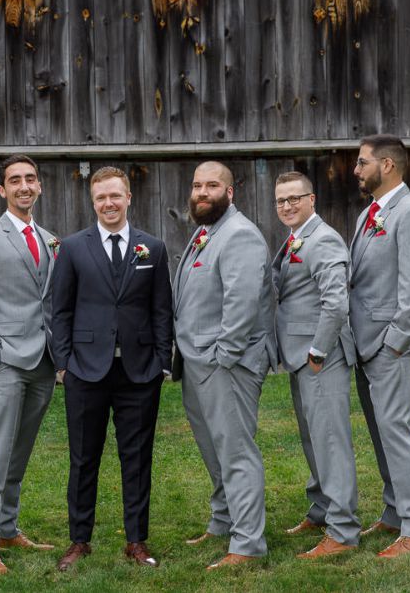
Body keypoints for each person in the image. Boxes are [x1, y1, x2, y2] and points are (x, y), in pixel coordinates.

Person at [49, 167, 173, 571]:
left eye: (115, 196)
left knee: (137, 458)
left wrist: (162, 362)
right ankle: (79, 539)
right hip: (86, 370)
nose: (108, 204)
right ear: (92, 200)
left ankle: (136, 540)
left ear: (129, 197)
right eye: (101, 197)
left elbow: (161, 309)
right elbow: (60, 308)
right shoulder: (72, 248)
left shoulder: (151, 248)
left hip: (139, 372)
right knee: (83, 457)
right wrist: (64, 362)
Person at [172, 161, 276, 570]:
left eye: (212, 185)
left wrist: (224, 357)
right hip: (198, 362)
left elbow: (242, 303)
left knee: (235, 451)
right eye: (197, 185)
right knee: (213, 448)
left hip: (225, 364)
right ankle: (223, 520)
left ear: (229, 192)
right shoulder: (204, 232)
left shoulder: (240, 236)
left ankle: (248, 543)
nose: (202, 192)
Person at [0, 154, 58, 574]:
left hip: (44, 361)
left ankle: (7, 526)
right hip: (7, 362)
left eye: (30, 179)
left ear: (39, 186)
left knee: (21, 449)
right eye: (15, 180)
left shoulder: (51, 239)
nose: (24, 186)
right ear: (2, 190)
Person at [349, 134, 410, 559]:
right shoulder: (370, 213)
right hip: (367, 346)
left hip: (392, 348)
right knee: (380, 433)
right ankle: (394, 513)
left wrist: (394, 344)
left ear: (386, 165)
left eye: (362, 162)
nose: (356, 169)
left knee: (396, 433)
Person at [271, 171, 361, 559]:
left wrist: (319, 352)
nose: (287, 206)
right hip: (301, 357)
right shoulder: (297, 237)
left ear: (313, 199)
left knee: (329, 440)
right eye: (281, 201)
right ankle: (323, 508)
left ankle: (342, 530)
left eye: (295, 198)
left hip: (321, 358)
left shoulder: (322, 239)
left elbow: (336, 303)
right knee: (313, 437)